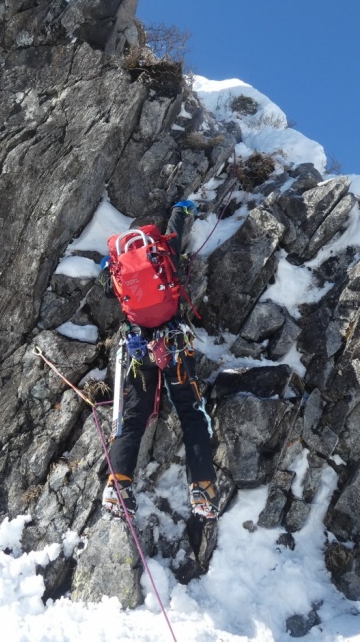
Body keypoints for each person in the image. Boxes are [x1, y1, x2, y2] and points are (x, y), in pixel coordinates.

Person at [99, 200, 220, 520]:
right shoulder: (163, 251)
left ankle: (118, 486)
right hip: (173, 343)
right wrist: (184, 210)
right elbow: (177, 227)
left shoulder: (117, 264)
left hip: (137, 346)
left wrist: (106, 270)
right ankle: (202, 490)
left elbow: (108, 293)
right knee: (191, 414)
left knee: (134, 414)